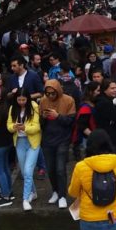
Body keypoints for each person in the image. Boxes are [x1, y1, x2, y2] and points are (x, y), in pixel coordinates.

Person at [39, 78, 75, 210]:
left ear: (58, 91)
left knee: (60, 169)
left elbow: (71, 121)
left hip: (63, 139)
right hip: (47, 139)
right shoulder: (43, 101)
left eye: (52, 93)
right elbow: (40, 124)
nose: (50, 96)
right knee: (50, 168)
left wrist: (57, 116)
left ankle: (62, 196)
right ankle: (55, 191)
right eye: (47, 93)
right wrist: (43, 117)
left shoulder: (68, 100)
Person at [7, 89, 42, 211]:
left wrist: (25, 128)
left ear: (28, 99)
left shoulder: (34, 106)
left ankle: (25, 199)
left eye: (24, 100)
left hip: (33, 142)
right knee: (24, 171)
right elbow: (9, 126)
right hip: (20, 142)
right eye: (19, 100)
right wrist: (14, 127)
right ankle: (33, 192)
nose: (21, 102)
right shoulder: (13, 108)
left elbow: (37, 127)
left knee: (27, 171)